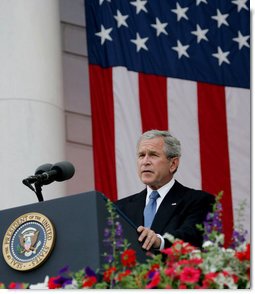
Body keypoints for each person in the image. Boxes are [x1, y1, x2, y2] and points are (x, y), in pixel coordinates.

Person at [116, 130, 215, 251]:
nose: (145, 162)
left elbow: (192, 236)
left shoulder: (199, 201)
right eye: (141, 155)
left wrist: (160, 241)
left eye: (153, 155)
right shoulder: (120, 208)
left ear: (173, 164)